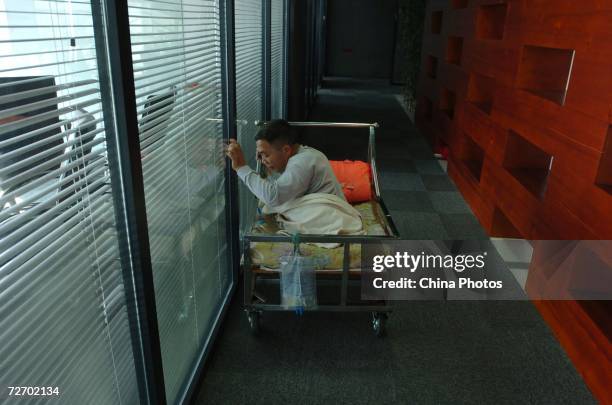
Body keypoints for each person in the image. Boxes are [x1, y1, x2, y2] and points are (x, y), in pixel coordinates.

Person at [225, 119, 345, 208]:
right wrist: (267, 162)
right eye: (261, 155)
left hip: (330, 216)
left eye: (266, 154)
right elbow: (282, 185)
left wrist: (241, 167)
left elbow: (273, 197)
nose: (263, 160)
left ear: (286, 150)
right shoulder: (302, 155)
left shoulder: (303, 161)